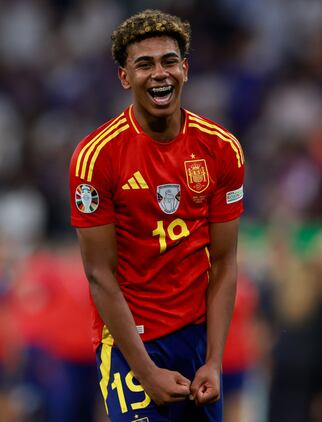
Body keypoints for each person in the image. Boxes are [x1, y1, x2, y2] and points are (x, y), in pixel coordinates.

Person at [69, 9, 245, 422]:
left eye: (169, 61)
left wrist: (214, 360)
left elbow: (223, 262)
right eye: (144, 64)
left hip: (197, 337)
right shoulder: (96, 158)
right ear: (124, 77)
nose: (159, 73)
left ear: (185, 69)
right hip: (132, 341)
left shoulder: (221, 149)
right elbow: (99, 274)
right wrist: (145, 371)